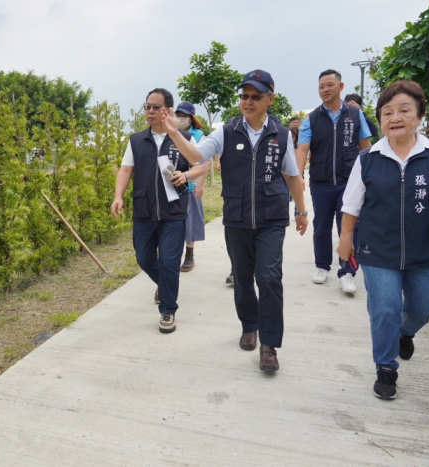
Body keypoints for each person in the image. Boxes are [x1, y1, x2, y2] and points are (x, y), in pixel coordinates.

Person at [163, 70, 308, 373]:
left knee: (269, 278)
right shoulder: (226, 133)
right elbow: (195, 156)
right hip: (237, 219)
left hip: (271, 219)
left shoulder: (281, 135)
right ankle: (249, 326)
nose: (248, 102)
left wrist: (301, 211)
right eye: (244, 96)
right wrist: (175, 133)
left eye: (256, 96)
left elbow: (293, 176)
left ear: (270, 99)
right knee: (242, 278)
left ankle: (269, 345)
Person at [338, 80, 429, 400]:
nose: (395, 118)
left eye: (404, 110)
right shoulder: (368, 159)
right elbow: (351, 205)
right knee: (385, 308)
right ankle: (386, 367)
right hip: (377, 249)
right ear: (380, 119)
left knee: (424, 308)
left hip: (425, 248)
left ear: (420, 115)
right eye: (387, 112)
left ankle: (405, 333)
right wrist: (345, 239)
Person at [111, 88, 207, 334]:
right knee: (144, 259)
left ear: (168, 110)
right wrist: (118, 196)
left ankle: (168, 309)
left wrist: (186, 175)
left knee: (170, 263)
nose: (151, 111)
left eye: (157, 107)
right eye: (148, 107)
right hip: (144, 211)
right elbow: (125, 170)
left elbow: (200, 166)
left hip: (173, 212)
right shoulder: (136, 141)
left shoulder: (184, 138)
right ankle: (166, 286)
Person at [295, 70, 372, 294]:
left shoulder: (356, 115)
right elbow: (302, 149)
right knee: (321, 225)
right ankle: (322, 266)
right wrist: (299, 176)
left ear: (341, 86)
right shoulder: (312, 119)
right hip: (321, 182)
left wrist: (370, 177)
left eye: (330, 85)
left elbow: (365, 148)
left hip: (350, 183)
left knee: (349, 227)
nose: (325, 89)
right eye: (321, 86)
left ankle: (347, 272)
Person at [175, 101, 210, 272]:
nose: (181, 119)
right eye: (179, 115)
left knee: (191, 221)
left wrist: (200, 185)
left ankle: (189, 256)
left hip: (191, 185)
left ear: (192, 118)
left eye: (185, 116)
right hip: (173, 186)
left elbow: (204, 162)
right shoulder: (171, 133)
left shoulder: (198, 136)